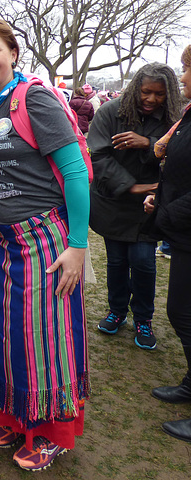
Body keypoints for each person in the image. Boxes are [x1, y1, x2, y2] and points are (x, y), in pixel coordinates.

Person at [0, 16, 91, 471]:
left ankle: (50, 431)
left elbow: (75, 172)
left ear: (13, 54)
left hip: (46, 241)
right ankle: (14, 414)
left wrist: (79, 245)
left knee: (46, 340)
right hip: (3, 242)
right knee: (6, 337)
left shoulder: (36, 99)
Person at [88, 63, 183, 350]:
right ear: (134, 89)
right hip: (114, 201)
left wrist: (150, 143)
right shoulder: (110, 112)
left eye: (159, 94)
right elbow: (99, 156)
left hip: (149, 204)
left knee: (143, 261)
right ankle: (117, 311)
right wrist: (130, 185)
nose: (151, 99)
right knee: (116, 261)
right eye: (145, 92)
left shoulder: (173, 119)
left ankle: (143, 318)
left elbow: (180, 156)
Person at [144, 44, 191, 443]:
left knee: (184, 313)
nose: (183, 76)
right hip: (182, 227)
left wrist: (166, 214)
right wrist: (159, 195)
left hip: (185, 226)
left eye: (187, 68)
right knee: (181, 312)